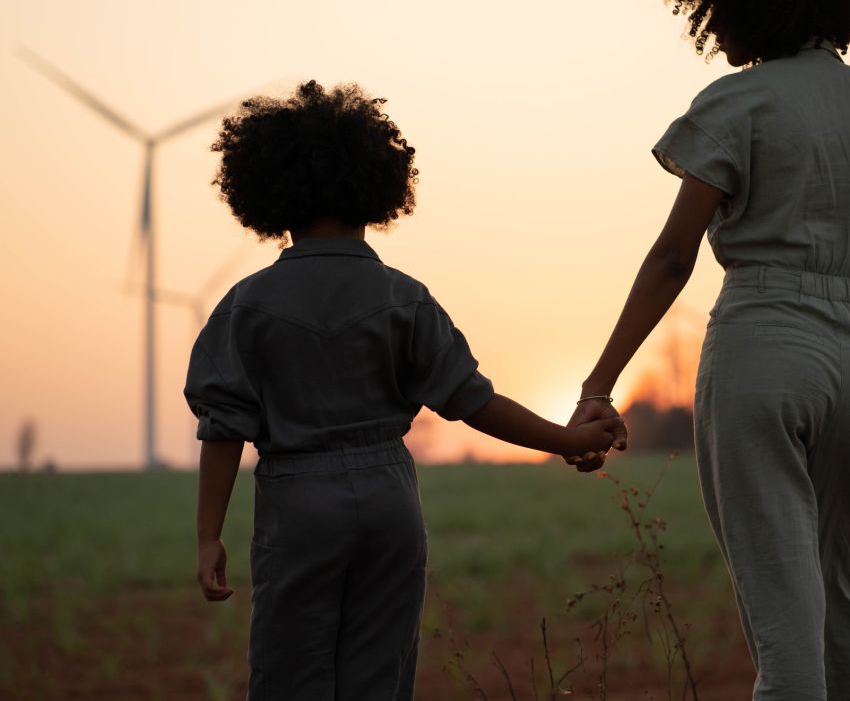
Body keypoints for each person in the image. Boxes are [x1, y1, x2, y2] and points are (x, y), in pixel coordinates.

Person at [184, 80, 625, 701]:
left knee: (290, 675)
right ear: (377, 187)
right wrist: (564, 438)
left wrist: (208, 535)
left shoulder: (245, 305)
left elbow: (224, 426)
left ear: (269, 194)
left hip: (298, 494)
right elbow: (473, 400)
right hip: (391, 497)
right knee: (380, 677)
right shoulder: (404, 297)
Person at [568, 0, 850, 698]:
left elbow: (674, 259)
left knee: (783, 615)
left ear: (742, 0)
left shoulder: (739, 103)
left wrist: (599, 382)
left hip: (762, 344)